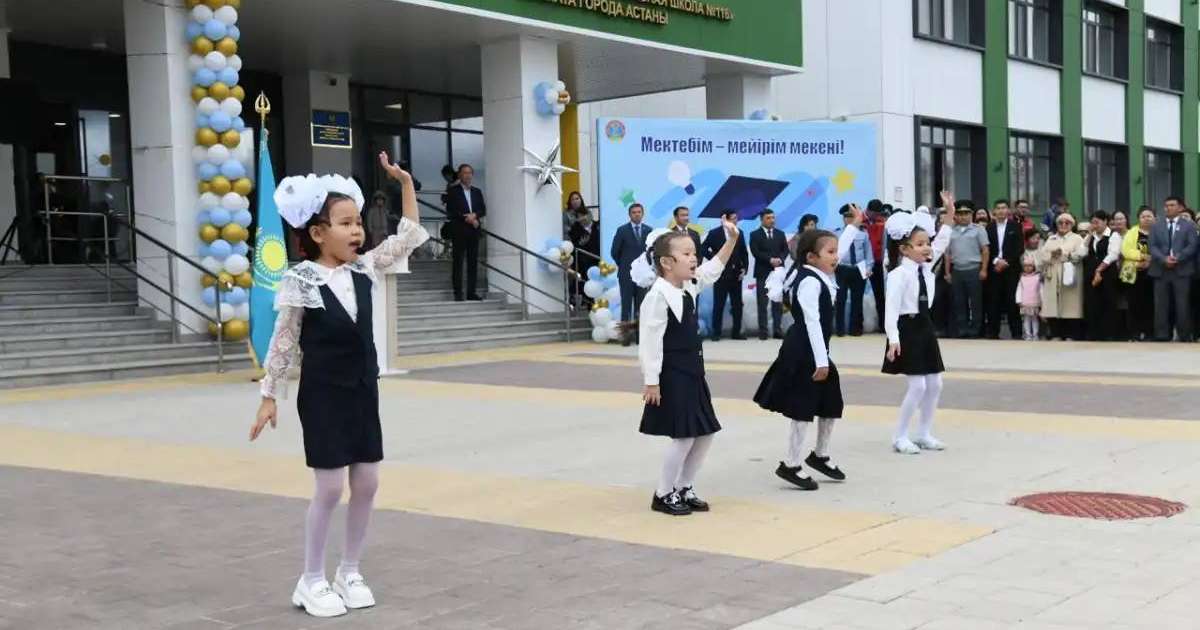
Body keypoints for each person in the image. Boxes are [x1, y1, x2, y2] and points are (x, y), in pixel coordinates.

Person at [250, 154, 428, 618]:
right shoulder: (301, 280)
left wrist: (406, 184)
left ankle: (349, 571)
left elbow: (408, 236)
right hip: (323, 395)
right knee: (329, 488)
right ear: (317, 233)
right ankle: (311, 578)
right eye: (345, 224)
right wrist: (269, 396)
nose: (357, 232)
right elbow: (283, 340)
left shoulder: (364, 269)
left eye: (358, 223)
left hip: (363, 390)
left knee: (367, 483)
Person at [638, 215, 743, 516]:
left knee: (705, 432)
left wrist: (732, 240)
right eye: (686, 254)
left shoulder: (689, 285)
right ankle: (663, 493)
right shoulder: (658, 296)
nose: (694, 258)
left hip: (694, 372)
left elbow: (713, 268)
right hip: (672, 374)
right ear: (666, 263)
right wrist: (651, 381)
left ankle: (684, 486)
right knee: (684, 436)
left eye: (694, 253)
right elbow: (650, 342)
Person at [756, 210, 862, 490]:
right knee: (801, 408)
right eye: (831, 252)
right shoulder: (809, 282)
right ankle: (790, 464)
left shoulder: (819, 272)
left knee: (830, 402)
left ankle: (820, 456)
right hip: (803, 351)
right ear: (811, 258)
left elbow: (838, 249)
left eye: (836, 251)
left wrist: (854, 226)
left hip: (815, 350)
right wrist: (821, 361)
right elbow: (812, 322)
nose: (836, 256)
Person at [882, 193, 954, 455]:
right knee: (918, 386)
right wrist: (893, 339)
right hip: (907, 330)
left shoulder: (925, 268)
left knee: (935, 384)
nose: (927, 248)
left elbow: (943, 240)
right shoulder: (898, 275)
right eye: (920, 244)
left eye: (927, 243)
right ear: (904, 249)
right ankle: (900, 436)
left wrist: (949, 212)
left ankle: (924, 433)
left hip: (925, 327)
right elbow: (891, 310)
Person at [1148, 196, 1198, 342]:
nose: (1168, 208)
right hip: (1161, 270)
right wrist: (1164, 259)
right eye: (1166, 205)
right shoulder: (1156, 226)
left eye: (1172, 205)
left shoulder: (1188, 226)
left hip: (1181, 270)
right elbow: (1152, 246)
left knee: (1182, 304)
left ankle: (1184, 335)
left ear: (1180, 207)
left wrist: (1178, 257)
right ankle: (1162, 334)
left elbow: (1192, 245)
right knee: (1161, 305)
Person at [1037, 213, 1086, 340]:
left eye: (1067, 223)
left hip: (1069, 274)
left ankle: (1071, 334)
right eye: (1060, 222)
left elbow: (1081, 253)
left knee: (1071, 304)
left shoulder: (1077, 238)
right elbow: (1041, 256)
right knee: (1052, 304)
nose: (1063, 225)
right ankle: (1056, 333)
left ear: (1072, 225)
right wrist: (1052, 254)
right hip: (1053, 274)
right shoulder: (1051, 238)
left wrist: (1065, 253)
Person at [944, 200, 989, 338]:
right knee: (959, 302)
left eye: (966, 213)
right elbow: (947, 254)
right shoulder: (951, 231)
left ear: (971, 214)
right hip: (957, 270)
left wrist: (984, 269)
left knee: (975, 302)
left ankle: (975, 330)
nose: (963, 216)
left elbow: (985, 250)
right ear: (955, 215)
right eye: (960, 213)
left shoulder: (978, 229)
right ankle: (962, 329)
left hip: (973, 269)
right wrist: (947, 272)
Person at [702, 209, 749, 341]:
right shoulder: (714, 233)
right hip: (721, 274)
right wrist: (714, 259)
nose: (736, 221)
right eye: (733, 218)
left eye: (736, 218)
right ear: (726, 220)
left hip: (736, 274)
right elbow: (703, 248)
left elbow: (744, 252)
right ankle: (716, 332)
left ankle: (736, 332)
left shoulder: (739, 233)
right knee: (719, 304)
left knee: (737, 305)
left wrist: (745, 268)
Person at [444, 164, 486, 301]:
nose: (467, 175)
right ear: (459, 175)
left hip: (473, 231)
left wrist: (475, 215)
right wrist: (467, 218)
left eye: (469, 173)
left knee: (473, 263)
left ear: (472, 175)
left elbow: (483, 209)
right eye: (464, 173)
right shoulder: (453, 191)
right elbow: (451, 210)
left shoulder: (477, 191)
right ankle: (458, 293)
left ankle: (471, 292)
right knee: (458, 262)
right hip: (459, 230)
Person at [984, 199, 1024, 339]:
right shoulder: (989, 227)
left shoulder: (1015, 226)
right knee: (993, 301)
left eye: (1004, 208)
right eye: (998, 208)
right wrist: (996, 261)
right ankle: (993, 333)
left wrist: (1006, 261)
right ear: (994, 211)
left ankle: (1016, 333)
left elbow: (1019, 248)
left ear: (1008, 210)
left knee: (1012, 301)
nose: (1001, 211)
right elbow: (986, 248)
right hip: (994, 269)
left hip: (1011, 269)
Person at [831, 204, 873, 337]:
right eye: (846, 217)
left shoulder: (863, 234)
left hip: (858, 269)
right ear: (843, 218)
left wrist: (868, 268)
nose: (849, 219)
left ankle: (855, 329)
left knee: (857, 300)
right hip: (841, 269)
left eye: (851, 216)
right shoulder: (837, 234)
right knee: (840, 299)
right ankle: (840, 329)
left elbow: (868, 253)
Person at [611, 203, 652, 331]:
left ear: (643, 214)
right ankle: (626, 335)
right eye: (634, 212)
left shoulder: (649, 230)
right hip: (626, 274)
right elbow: (614, 252)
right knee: (626, 305)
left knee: (642, 305)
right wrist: (624, 265)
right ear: (629, 215)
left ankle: (640, 335)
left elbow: (651, 252)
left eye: (639, 212)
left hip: (643, 276)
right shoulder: (622, 230)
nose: (636, 214)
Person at [750, 209, 789, 340]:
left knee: (777, 303)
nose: (772, 220)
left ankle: (777, 330)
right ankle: (763, 331)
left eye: (773, 217)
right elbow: (755, 252)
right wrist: (769, 260)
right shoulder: (755, 235)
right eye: (768, 218)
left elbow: (785, 250)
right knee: (762, 303)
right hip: (763, 273)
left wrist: (780, 259)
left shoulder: (780, 234)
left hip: (777, 273)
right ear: (761, 220)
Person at [1122, 207, 1156, 341]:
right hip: (1134, 272)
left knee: (1151, 304)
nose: (1146, 219)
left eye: (1149, 216)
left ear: (1154, 218)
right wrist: (1142, 257)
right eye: (1143, 216)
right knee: (1134, 304)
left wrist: (1150, 261)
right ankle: (1134, 333)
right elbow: (1126, 250)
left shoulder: (1158, 232)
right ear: (1138, 219)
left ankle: (1149, 333)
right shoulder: (1132, 232)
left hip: (1153, 273)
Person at [568, 207, 600, 306]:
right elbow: (573, 246)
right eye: (580, 216)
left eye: (584, 215)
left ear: (589, 215)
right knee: (586, 282)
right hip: (584, 261)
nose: (583, 218)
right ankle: (588, 303)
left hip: (598, 259)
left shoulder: (598, 225)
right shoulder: (575, 229)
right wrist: (581, 244)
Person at [864, 201, 888, 329]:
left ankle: (883, 325)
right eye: (874, 213)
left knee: (880, 295)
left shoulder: (882, 222)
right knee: (857, 295)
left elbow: (884, 243)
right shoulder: (860, 222)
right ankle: (857, 326)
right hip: (862, 264)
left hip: (877, 262)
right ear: (868, 210)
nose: (876, 216)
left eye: (878, 213)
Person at [1016, 255, 1042, 341]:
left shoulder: (1037, 277)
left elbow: (1041, 289)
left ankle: (1035, 334)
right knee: (1026, 320)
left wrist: (1042, 300)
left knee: (1035, 319)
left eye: (1030, 266)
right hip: (1025, 302)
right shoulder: (1022, 278)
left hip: (1035, 302)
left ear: (1033, 267)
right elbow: (1019, 289)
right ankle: (1028, 335)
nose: (1027, 268)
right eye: (1025, 266)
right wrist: (1019, 300)